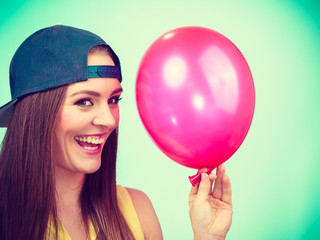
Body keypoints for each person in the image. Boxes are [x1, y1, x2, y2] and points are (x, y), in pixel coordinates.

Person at [0, 25, 233, 240]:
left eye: (113, 99)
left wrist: (207, 236)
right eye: (84, 101)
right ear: (37, 114)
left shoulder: (137, 212)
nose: (109, 120)